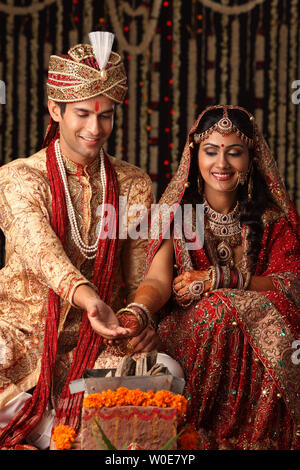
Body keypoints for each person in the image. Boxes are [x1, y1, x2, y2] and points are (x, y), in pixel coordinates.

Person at [0, 32, 160, 449]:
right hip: (20, 331)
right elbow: (39, 248)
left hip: (96, 338)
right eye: (83, 113)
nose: (95, 128)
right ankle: (42, 426)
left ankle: (57, 424)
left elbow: (140, 275)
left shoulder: (134, 184)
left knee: (163, 368)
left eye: (106, 115)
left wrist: (138, 318)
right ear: (55, 109)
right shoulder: (19, 178)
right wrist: (89, 298)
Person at [125, 105, 300, 450]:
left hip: (259, 343)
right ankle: (200, 434)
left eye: (234, 152)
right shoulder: (174, 215)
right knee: (216, 311)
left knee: (230, 305)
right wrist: (137, 313)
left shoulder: (271, 219)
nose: (221, 164)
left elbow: (291, 283)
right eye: (211, 151)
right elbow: (158, 282)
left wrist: (220, 278)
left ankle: (255, 437)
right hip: (196, 333)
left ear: (251, 160)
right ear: (194, 157)